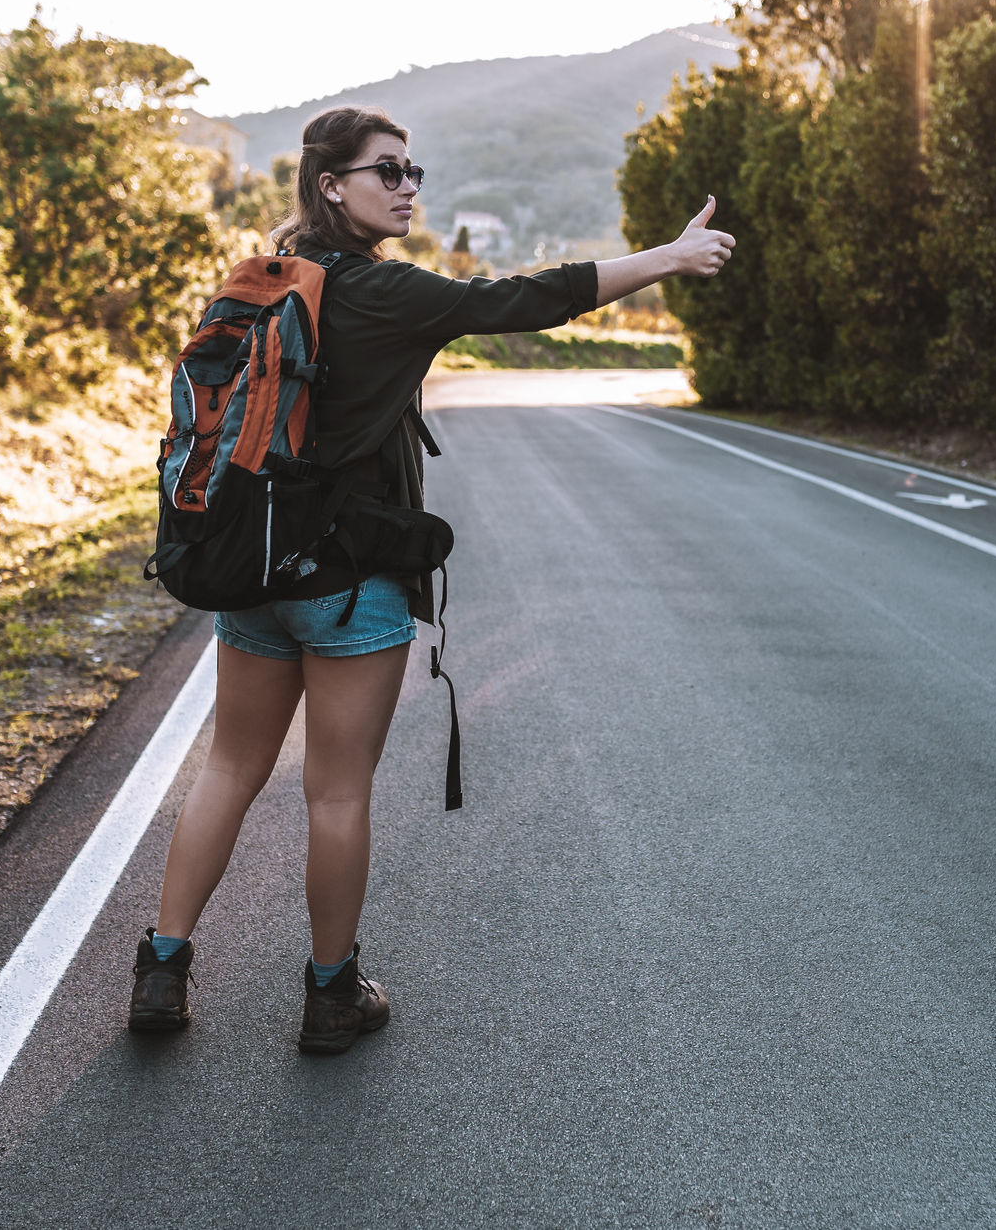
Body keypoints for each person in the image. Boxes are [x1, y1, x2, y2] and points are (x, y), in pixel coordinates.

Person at [127, 105, 734, 1053]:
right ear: (333, 186)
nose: (409, 187)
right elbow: (529, 297)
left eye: (415, 172)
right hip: (349, 581)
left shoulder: (267, 282)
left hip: (249, 570)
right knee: (334, 793)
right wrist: (663, 257)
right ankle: (331, 996)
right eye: (389, 171)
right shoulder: (382, 291)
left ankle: (161, 971)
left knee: (232, 768)